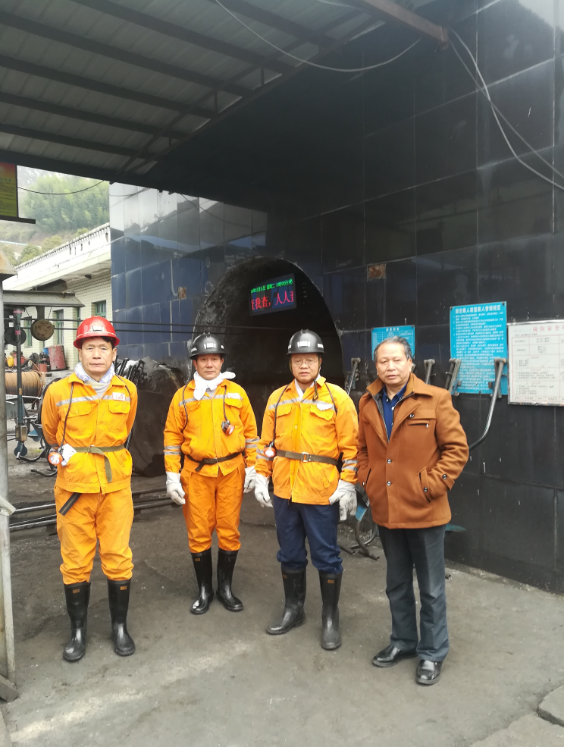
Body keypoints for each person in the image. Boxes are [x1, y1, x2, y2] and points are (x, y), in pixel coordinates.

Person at [357, 336, 468, 685]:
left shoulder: (436, 399)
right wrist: (368, 480)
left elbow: (457, 450)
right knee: (397, 582)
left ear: (410, 362)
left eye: (396, 360)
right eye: (383, 361)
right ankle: (403, 641)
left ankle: (432, 652)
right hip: (387, 509)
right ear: (376, 366)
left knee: (431, 587)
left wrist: (428, 486)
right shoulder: (368, 402)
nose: (390, 367)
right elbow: (362, 449)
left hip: (425, 510)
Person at [41, 317, 138, 662]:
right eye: (90, 347)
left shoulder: (128, 390)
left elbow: (126, 430)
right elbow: (50, 433)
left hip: (115, 487)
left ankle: (119, 628)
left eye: (103, 347)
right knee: (75, 561)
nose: (97, 354)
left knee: (118, 557)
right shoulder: (58, 391)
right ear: (79, 352)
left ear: (114, 353)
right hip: (74, 489)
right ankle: (78, 632)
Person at [255, 330, 358, 650]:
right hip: (285, 491)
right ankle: (294, 609)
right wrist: (260, 476)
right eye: (298, 360)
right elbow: (266, 444)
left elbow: (352, 448)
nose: (303, 365)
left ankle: (330, 616)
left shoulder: (337, 398)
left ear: (319, 362)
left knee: (327, 556)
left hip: (320, 492)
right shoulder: (277, 398)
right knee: (289, 553)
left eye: (309, 359)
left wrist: (348, 483)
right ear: (290, 362)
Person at [163, 334, 258, 615]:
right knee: (198, 532)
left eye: (214, 359)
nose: (209, 364)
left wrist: (253, 467)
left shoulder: (237, 393)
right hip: (196, 472)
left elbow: (251, 433)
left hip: (231, 471)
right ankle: (204, 591)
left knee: (229, 530)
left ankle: (225, 589)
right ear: (194, 363)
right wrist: (171, 475)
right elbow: (171, 438)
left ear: (222, 361)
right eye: (203, 359)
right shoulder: (182, 397)